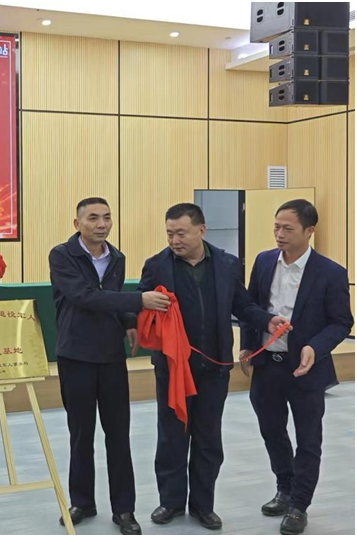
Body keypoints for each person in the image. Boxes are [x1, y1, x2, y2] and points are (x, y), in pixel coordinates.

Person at [138, 203, 288, 531]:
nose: (174, 240)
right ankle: (170, 502)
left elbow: (243, 305)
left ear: (201, 231)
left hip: (214, 368)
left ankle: (203, 505)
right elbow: (140, 304)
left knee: (208, 438)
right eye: (169, 233)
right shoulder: (157, 265)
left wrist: (267, 320)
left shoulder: (226, 263)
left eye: (181, 233)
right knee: (172, 436)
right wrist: (145, 306)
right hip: (173, 368)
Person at [49, 197, 171, 536]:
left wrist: (130, 319)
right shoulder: (62, 255)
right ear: (77, 224)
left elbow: (112, 297)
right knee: (81, 435)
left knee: (118, 435)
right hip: (75, 356)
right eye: (93, 218)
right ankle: (82, 502)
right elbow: (84, 296)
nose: (101, 224)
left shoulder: (116, 257)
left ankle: (124, 509)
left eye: (106, 217)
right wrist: (139, 300)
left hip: (111, 357)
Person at [240, 199, 353, 535]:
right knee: (272, 431)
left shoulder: (331, 273)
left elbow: (341, 322)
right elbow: (250, 306)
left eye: (287, 228)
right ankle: (284, 488)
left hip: (306, 369)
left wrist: (314, 347)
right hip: (267, 366)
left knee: (308, 439)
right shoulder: (264, 261)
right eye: (276, 226)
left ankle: (299, 505)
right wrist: (247, 345)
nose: (279, 234)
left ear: (309, 231)